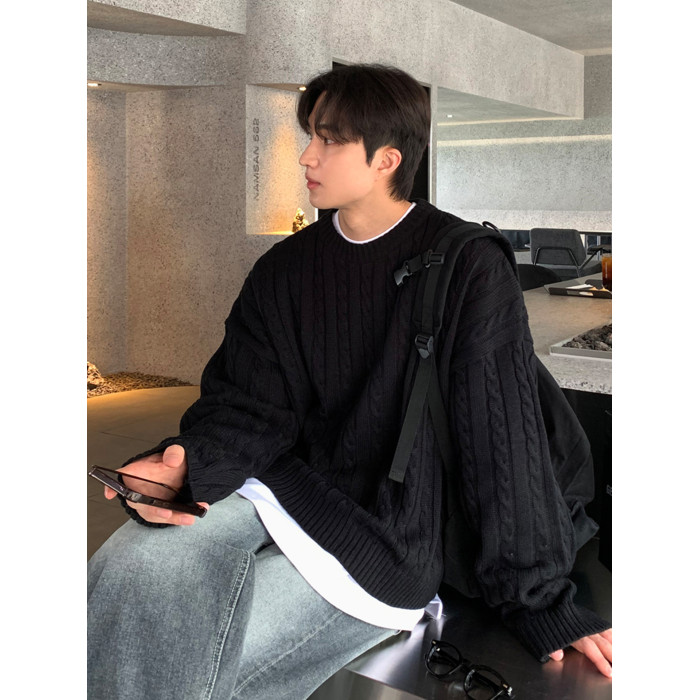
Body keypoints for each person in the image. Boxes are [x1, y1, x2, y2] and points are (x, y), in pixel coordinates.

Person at [88, 63, 612, 699]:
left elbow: (502, 442)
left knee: (181, 653)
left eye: (329, 139)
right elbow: (248, 402)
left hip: (385, 536)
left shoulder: (466, 264)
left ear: (387, 159)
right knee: (131, 562)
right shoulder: (285, 268)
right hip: (281, 485)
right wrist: (188, 462)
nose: (306, 156)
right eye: (311, 134)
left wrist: (541, 601)